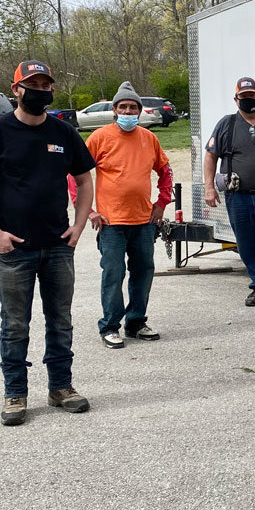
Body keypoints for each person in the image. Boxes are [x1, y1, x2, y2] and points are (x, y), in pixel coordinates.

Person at [0, 60, 95, 426]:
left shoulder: (63, 132)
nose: (40, 90)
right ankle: (15, 393)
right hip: (15, 249)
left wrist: (79, 224)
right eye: (32, 84)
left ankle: (61, 388)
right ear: (16, 89)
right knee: (15, 324)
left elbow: (84, 181)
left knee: (61, 320)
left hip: (57, 246)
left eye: (45, 84)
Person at [83, 81, 172, 349]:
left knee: (143, 271)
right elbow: (76, 176)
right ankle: (110, 326)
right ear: (114, 110)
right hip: (110, 222)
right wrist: (89, 211)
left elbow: (165, 172)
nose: (128, 111)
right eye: (123, 107)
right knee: (113, 272)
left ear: (140, 111)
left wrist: (162, 203)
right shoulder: (99, 138)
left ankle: (136, 322)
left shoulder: (149, 139)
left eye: (133, 107)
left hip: (144, 220)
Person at [204, 76, 255, 307]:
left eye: (252, 96)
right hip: (238, 196)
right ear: (236, 99)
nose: (248, 100)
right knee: (247, 244)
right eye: (244, 97)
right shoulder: (226, 124)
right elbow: (211, 156)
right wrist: (209, 187)